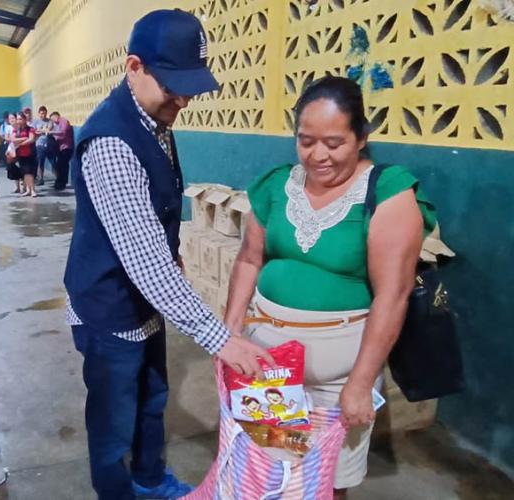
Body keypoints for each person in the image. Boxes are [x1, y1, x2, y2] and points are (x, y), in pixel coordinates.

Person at [63, 10, 273, 500]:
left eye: (190, 87)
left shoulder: (155, 119)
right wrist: (222, 338)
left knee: (151, 399)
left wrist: (175, 257)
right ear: (134, 66)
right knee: (114, 422)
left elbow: (159, 216)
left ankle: (151, 478)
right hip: (107, 308)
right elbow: (146, 265)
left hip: (144, 306)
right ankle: (119, 491)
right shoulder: (111, 143)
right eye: (173, 86)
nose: (182, 100)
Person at [224, 76, 435, 498]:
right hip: (268, 366)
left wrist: (361, 382)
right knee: (276, 470)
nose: (318, 155)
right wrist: (229, 333)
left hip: (340, 377)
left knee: (326, 484)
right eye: (306, 141)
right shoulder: (276, 186)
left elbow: (392, 297)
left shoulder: (387, 192)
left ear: (361, 137)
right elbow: (249, 259)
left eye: (334, 143)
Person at [12, 111, 37, 197]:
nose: (18, 121)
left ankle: (32, 190)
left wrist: (21, 143)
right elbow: (13, 139)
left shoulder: (30, 129)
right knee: (25, 172)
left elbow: (32, 139)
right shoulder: (16, 130)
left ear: (25, 119)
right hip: (20, 154)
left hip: (30, 153)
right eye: (17, 119)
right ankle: (28, 190)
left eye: (20, 119)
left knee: (30, 172)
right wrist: (24, 138)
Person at [49, 110, 73, 190]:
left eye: (52, 119)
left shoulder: (64, 121)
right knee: (60, 166)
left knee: (63, 166)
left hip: (66, 147)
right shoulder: (57, 124)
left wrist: (51, 132)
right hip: (60, 147)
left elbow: (63, 133)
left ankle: (62, 183)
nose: (53, 121)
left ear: (56, 116)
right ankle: (60, 182)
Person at [32, 105, 54, 185]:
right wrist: (43, 131)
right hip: (39, 145)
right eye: (41, 113)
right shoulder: (35, 122)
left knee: (53, 163)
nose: (43, 115)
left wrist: (40, 131)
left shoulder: (50, 121)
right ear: (39, 114)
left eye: (44, 113)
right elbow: (34, 131)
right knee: (40, 163)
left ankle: (58, 178)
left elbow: (49, 129)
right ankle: (41, 179)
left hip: (49, 144)